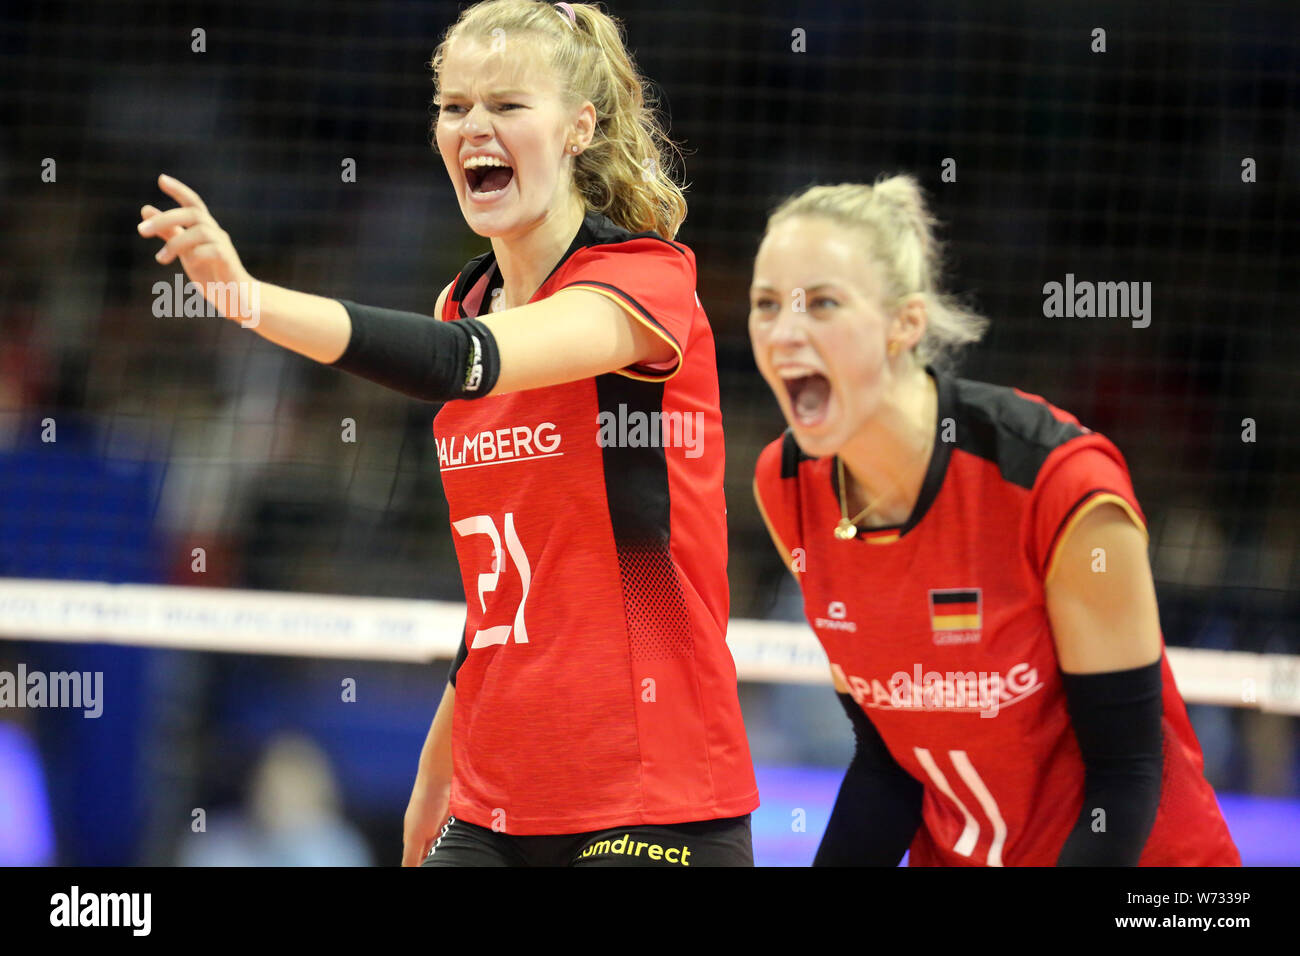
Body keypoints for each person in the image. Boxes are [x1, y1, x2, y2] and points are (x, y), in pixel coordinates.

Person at [137, 0, 756, 867]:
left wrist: (250, 299)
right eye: (455, 106)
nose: (475, 128)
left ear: (580, 127)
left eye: (508, 106)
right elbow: (502, 594)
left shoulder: (643, 284)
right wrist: (442, 766)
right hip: (499, 795)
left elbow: (459, 360)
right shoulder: (461, 301)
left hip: (651, 788)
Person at [748, 175, 1240, 866]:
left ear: (905, 323)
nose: (785, 332)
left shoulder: (1055, 481)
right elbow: (890, 766)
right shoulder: (788, 482)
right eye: (766, 305)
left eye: (823, 303)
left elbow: (1127, 776)